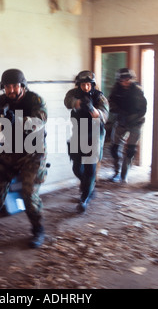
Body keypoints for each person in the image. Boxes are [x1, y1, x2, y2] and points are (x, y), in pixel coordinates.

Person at [0, 69, 48, 248]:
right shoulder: (3, 100)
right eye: (7, 87)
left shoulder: (35, 100)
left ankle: (38, 229)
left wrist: (17, 120)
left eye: (14, 86)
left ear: (22, 86)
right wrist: (2, 116)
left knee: (29, 194)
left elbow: (40, 120)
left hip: (33, 152)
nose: (11, 90)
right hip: (11, 150)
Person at [64, 70, 109, 213]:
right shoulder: (73, 93)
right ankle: (88, 188)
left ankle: (84, 199)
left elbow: (104, 115)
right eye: (83, 84)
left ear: (93, 84)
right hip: (78, 132)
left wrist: (91, 108)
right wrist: (78, 103)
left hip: (95, 133)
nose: (86, 87)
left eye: (89, 84)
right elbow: (67, 102)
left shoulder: (99, 96)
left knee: (90, 168)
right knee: (77, 168)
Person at [108, 68, 147, 183]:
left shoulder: (137, 90)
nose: (126, 82)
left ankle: (124, 175)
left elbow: (143, 108)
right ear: (119, 80)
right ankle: (116, 172)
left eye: (128, 79)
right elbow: (111, 103)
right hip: (121, 120)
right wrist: (120, 112)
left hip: (136, 121)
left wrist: (134, 118)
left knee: (130, 150)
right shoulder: (116, 89)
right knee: (114, 148)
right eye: (123, 80)